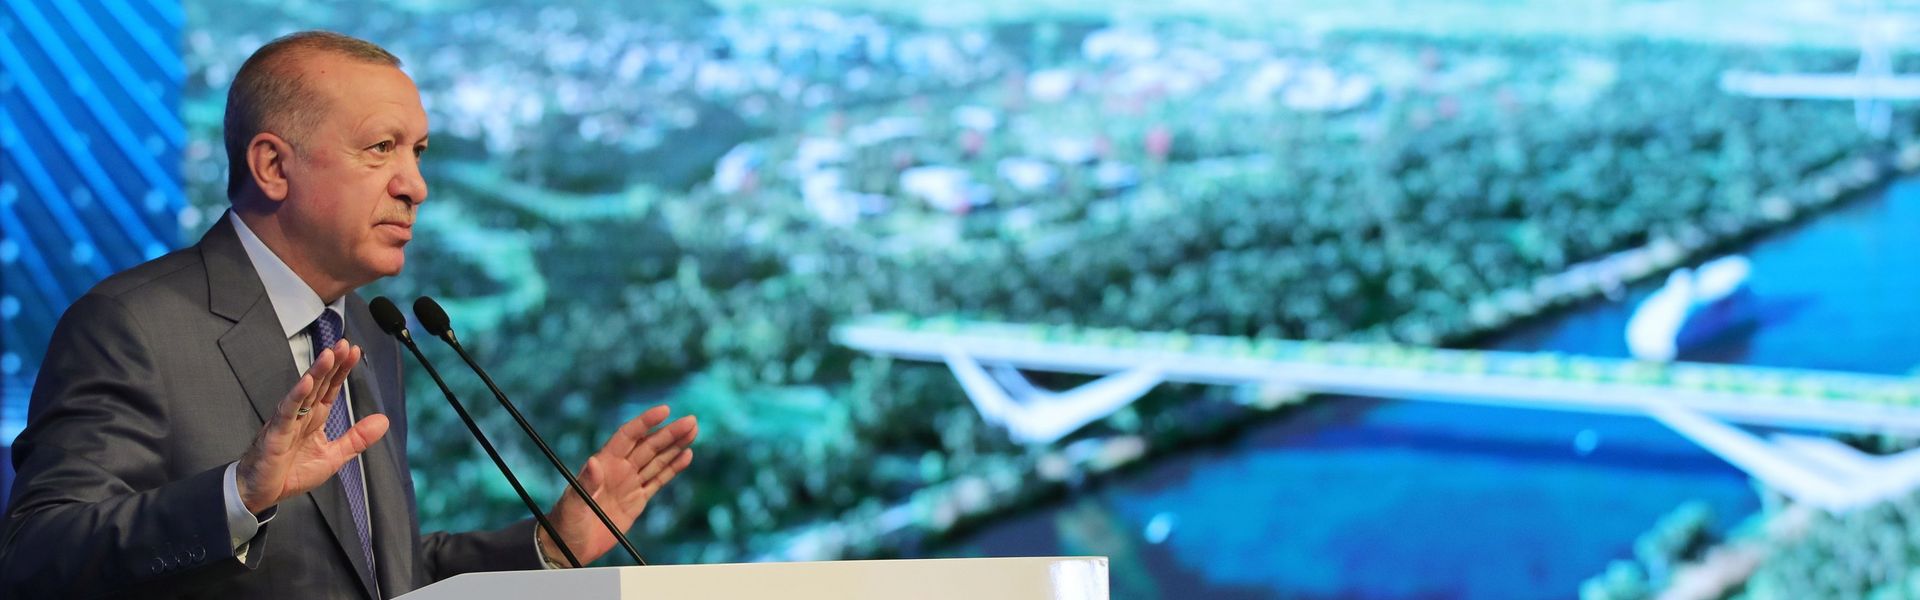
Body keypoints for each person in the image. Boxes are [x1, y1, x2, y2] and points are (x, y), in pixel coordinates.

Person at [0, 30, 699, 598]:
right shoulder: (134, 324)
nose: (416, 185)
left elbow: (375, 574)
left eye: (419, 152)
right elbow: (37, 555)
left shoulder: (370, 329)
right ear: (274, 166)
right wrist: (237, 498)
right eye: (381, 148)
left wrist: (550, 545)